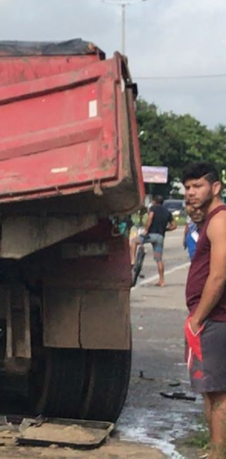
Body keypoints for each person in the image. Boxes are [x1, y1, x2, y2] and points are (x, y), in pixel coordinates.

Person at [182, 162, 226, 459]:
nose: (190, 192)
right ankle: (214, 450)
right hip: (209, 319)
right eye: (187, 187)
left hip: (215, 318)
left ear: (216, 187)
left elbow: (219, 275)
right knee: (211, 390)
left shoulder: (220, 219)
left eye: (198, 186)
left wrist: (197, 318)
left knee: (219, 392)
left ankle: (218, 453)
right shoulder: (209, 220)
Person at [132, 195, 177, 287]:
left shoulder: (153, 208)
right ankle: (162, 281)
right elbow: (174, 226)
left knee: (134, 241)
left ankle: (133, 260)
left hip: (150, 235)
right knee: (159, 259)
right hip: (160, 237)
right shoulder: (167, 212)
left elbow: (150, 218)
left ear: (154, 201)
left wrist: (146, 230)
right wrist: (165, 229)